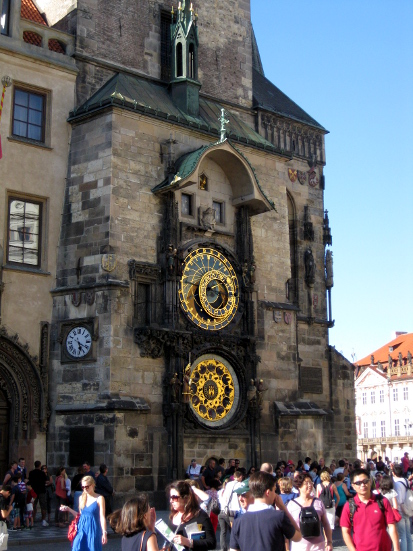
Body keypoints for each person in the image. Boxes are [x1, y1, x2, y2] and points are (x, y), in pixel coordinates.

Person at [229, 471, 301, 551]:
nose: (275, 494)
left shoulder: (238, 522)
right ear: (268, 492)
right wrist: (283, 508)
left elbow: (234, 549)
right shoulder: (279, 517)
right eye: (274, 490)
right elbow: (298, 536)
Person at [340, 468, 400, 551]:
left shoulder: (383, 501)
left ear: (370, 481)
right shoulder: (349, 506)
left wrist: (397, 549)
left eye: (365, 481)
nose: (362, 485)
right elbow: (345, 531)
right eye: (358, 483)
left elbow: (392, 527)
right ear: (353, 486)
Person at [287, 472, 333, 551]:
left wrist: (329, 542)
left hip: (318, 546)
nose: (309, 485)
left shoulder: (318, 502)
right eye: (306, 483)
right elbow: (286, 528)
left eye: (311, 483)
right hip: (299, 546)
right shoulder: (291, 505)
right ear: (299, 486)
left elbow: (326, 523)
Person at [60, 475, 107, 551]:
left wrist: (104, 532)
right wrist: (69, 509)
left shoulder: (99, 498)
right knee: (77, 548)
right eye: (83, 487)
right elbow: (80, 516)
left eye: (87, 487)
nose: (85, 489)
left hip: (93, 530)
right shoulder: (81, 498)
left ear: (92, 485)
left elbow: (102, 517)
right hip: (81, 529)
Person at [166, 480, 216, 550]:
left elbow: (212, 543)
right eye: (170, 497)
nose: (171, 501)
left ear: (185, 498)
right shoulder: (173, 516)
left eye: (174, 497)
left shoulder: (200, 515)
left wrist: (188, 542)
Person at [218, 470, 244, 551]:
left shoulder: (228, 484)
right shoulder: (240, 484)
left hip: (225, 510)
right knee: (234, 530)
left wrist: (225, 506)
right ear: (240, 477)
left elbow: (225, 497)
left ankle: (224, 548)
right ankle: (234, 547)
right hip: (234, 509)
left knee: (223, 531)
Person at [391, 463, 412, 551]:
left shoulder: (395, 483)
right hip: (407, 508)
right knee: (408, 534)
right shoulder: (405, 480)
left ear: (393, 473)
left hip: (400, 510)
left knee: (402, 534)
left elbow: (398, 500)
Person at [28, 461, 48, 526]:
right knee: (43, 506)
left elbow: (29, 481)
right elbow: (45, 481)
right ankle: (43, 520)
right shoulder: (42, 473)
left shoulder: (31, 473)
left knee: (33, 506)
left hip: (34, 491)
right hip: (42, 491)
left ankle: (32, 521)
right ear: (40, 465)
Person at [0, 486, 12, 551]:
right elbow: (4, 515)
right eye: (9, 494)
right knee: (2, 541)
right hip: (0, 523)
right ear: (7, 492)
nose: (8, 496)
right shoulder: (2, 499)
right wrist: (9, 509)